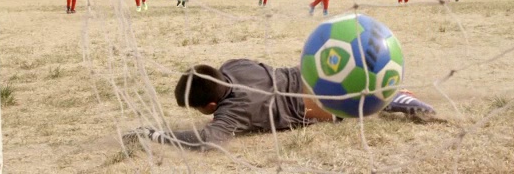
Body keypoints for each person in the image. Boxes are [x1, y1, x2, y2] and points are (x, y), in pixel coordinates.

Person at [121, 59, 435, 150]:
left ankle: (394, 99)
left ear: (211, 105)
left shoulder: (231, 111)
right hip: (313, 73)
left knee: (355, 106)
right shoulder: (234, 65)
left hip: (313, 106)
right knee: (349, 87)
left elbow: (211, 141)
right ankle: (385, 90)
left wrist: (155, 134)